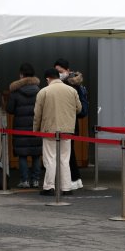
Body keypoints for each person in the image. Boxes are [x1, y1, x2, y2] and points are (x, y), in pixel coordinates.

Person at [34, 68, 81, 196]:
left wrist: (36, 130)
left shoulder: (44, 92)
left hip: (49, 130)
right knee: (65, 159)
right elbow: (79, 108)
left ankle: (49, 187)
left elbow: (37, 114)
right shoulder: (71, 90)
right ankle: (66, 188)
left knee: (50, 159)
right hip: (67, 130)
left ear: (48, 79)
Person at [6, 63, 43, 188]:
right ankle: (36, 180)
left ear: (21, 75)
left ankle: (25, 181)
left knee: (22, 155)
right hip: (36, 127)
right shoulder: (40, 90)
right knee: (36, 154)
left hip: (20, 127)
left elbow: (10, 109)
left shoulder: (15, 92)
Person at [54, 58, 89, 190]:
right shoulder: (73, 84)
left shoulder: (71, 85)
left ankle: (73, 179)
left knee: (67, 153)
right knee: (68, 153)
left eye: (60, 71)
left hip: (69, 123)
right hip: (70, 122)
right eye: (56, 71)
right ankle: (75, 178)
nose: (58, 73)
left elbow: (78, 108)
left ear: (68, 70)